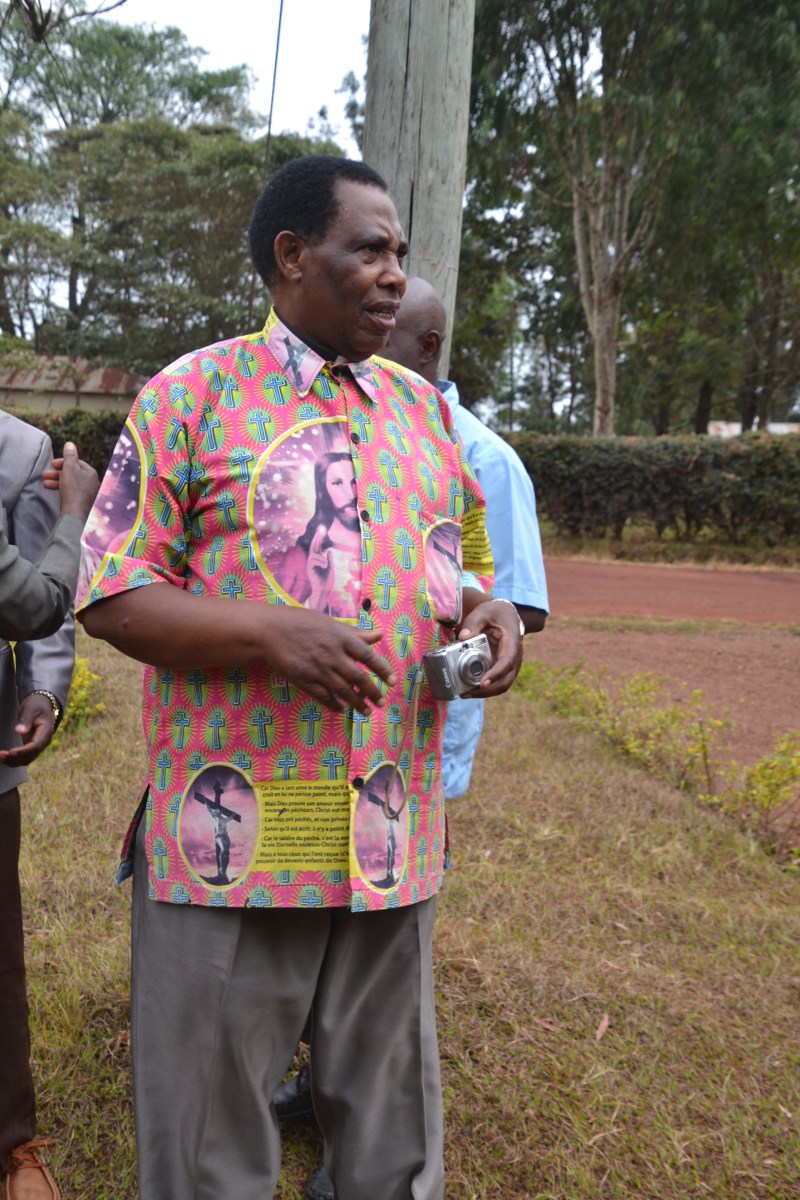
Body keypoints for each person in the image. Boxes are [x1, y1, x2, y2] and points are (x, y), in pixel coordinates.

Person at [76, 154, 524, 1200]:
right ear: (291, 255)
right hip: (237, 836)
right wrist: (271, 636)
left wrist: (486, 611)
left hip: (389, 829)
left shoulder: (423, 413)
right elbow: (110, 594)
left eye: (398, 253)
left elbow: (450, 570)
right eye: (368, 249)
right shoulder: (191, 396)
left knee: (391, 1131)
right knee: (209, 1135)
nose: (393, 274)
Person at [274, 276, 550, 1200]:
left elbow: (514, 603)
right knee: (318, 911)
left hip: (414, 733)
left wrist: (467, 626)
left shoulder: (482, 457)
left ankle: (357, 1132)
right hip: (320, 736)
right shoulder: (325, 418)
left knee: (385, 927)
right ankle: (318, 1082)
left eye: (381, 328)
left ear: (422, 346)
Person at [0, 419, 99, 1200]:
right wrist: (78, 511)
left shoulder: (19, 452)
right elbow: (34, 598)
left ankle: (12, 1139)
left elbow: (39, 610)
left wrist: (42, 689)